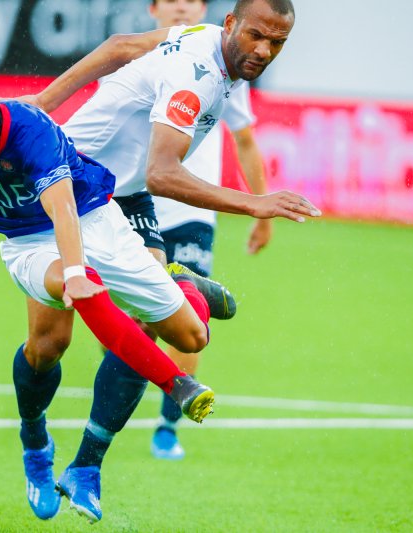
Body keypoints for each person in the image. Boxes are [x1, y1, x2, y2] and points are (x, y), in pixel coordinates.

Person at [4, 0, 319, 520]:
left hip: (122, 195)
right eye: (258, 36)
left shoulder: (206, 42)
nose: (264, 51)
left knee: (167, 327)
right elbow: (163, 173)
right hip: (69, 183)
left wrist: (45, 98)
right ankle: (36, 445)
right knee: (48, 345)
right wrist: (254, 203)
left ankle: (86, 464)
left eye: (277, 43)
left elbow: (122, 46)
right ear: (232, 25)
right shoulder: (196, 75)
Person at [0, 93, 235, 523]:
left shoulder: (31, 134)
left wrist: (75, 267)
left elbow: (63, 208)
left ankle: (183, 283)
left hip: (90, 216)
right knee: (49, 344)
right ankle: (41, 441)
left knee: (192, 336)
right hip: (26, 242)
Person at [145, 0, 272, 460]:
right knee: (139, 322)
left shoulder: (225, 65)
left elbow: (245, 139)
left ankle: (167, 425)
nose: (183, 7)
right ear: (153, 8)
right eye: (173, 0)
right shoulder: (136, 58)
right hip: (135, 206)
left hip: (193, 209)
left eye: (193, 0)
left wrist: (261, 212)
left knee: (189, 317)